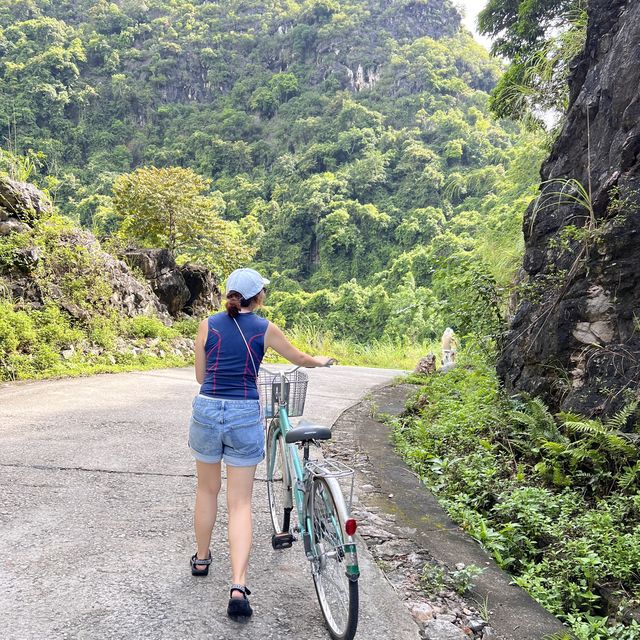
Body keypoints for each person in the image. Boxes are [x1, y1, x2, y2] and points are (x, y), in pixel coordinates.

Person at [188, 267, 333, 622]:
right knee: (239, 504)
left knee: (207, 491)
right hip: (243, 414)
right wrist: (321, 360)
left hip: (207, 408)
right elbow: (299, 358)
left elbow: (200, 376)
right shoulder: (264, 329)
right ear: (259, 296)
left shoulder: (208, 324)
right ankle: (238, 586)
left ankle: (202, 559)